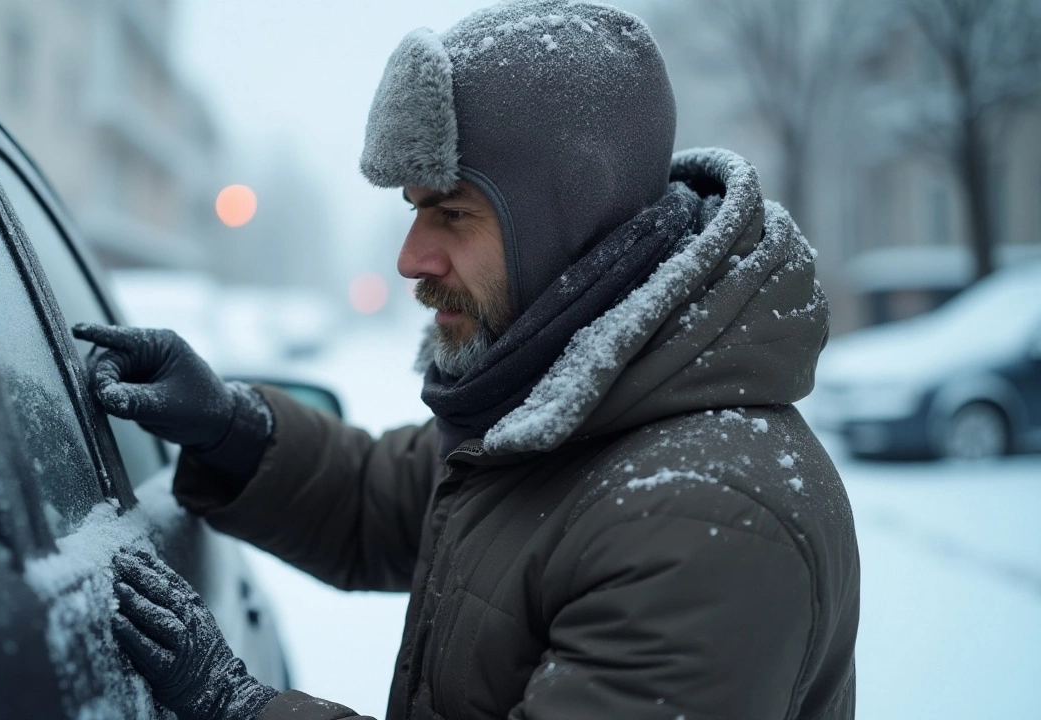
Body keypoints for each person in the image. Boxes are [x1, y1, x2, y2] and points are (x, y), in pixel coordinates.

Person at [73, 1, 861, 718]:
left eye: (453, 213)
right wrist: (229, 429)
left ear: (569, 221)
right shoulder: (565, 409)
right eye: (416, 212)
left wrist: (237, 709)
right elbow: (385, 500)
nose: (412, 258)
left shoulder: (701, 520)